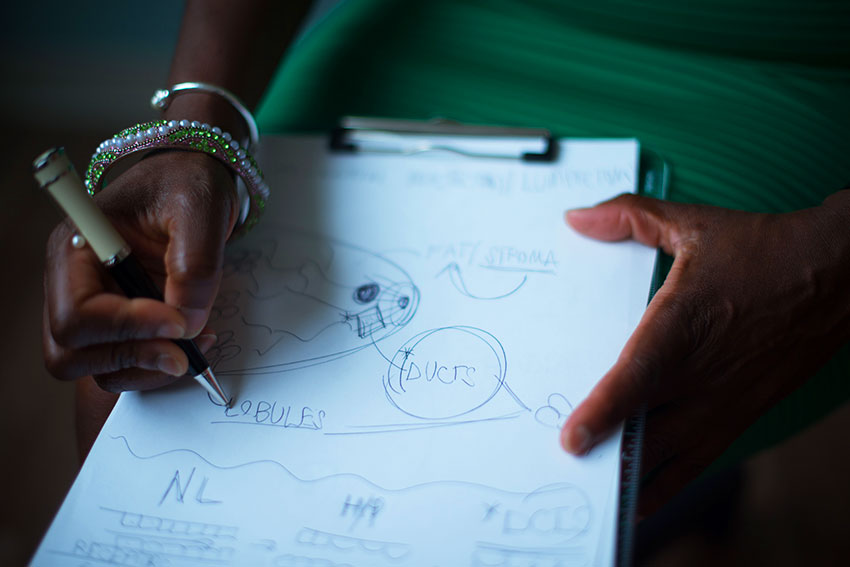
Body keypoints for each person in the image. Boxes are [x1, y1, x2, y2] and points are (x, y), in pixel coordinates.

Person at [42, 0, 850, 519]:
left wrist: (828, 266)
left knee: (574, 411)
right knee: (132, 395)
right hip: (446, 21)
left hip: (785, 63)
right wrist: (196, 126)